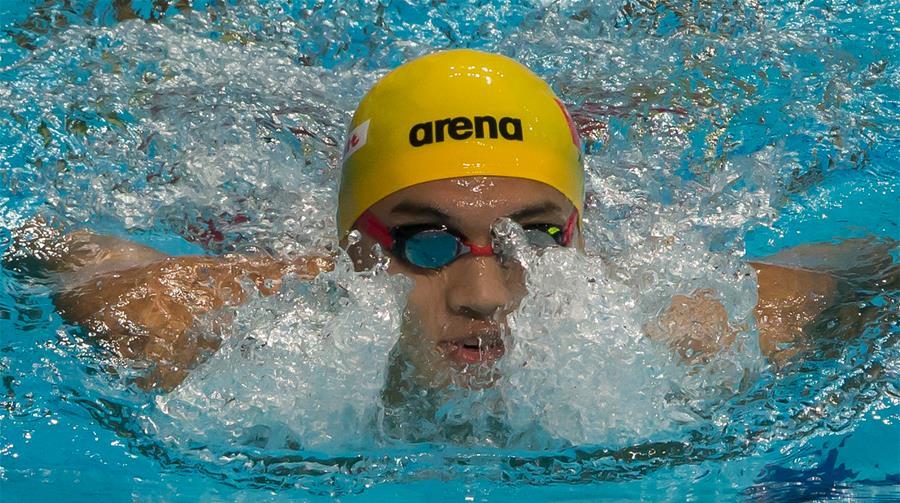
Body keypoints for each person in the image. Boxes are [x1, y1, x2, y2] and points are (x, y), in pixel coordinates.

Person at [6, 49, 842, 393]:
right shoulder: (193, 335)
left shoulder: (706, 329)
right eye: (426, 241)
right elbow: (44, 245)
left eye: (532, 235)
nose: (487, 295)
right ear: (351, 252)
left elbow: (873, 265)